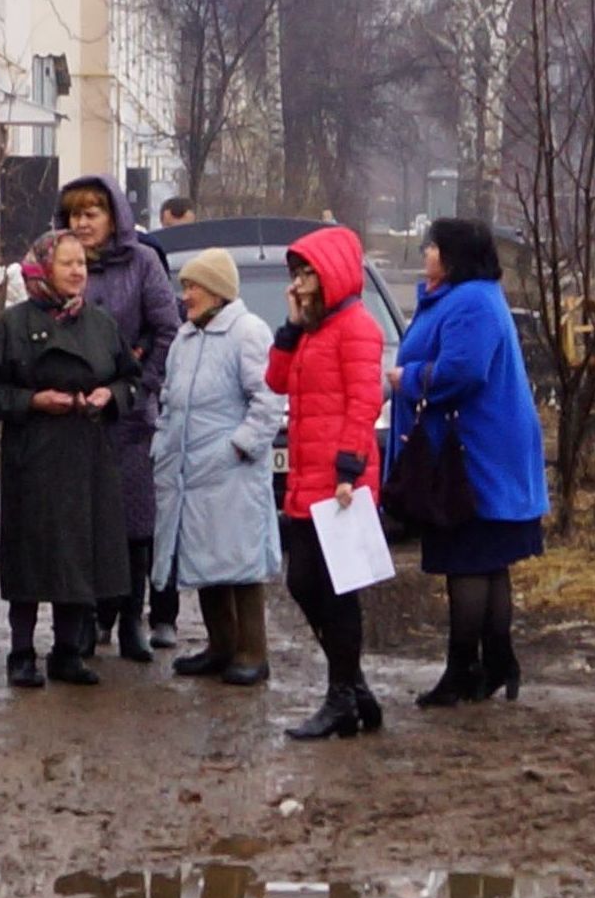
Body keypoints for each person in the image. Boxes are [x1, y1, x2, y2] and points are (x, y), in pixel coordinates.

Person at [0, 229, 139, 689]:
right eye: (67, 263)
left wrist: (111, 395)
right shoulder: (14, 324)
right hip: (35, 456)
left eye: (82, 263)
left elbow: (132, 379)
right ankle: (20, 652)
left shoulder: (101, 324)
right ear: (44, 268)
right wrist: (32, 402)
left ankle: (67, 651)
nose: (77, 271)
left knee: (77, 555)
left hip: (88, 455)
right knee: (30, 556)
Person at [390, 217, 547, 706]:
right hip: (483, 451)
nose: (425, 252)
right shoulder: (470, 296)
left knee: (468, 560)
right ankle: (496, 663)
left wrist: (405, 378)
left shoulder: (471, 301)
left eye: (432, 246)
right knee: (488, 561)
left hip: (473, 457)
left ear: (453, 255)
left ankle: (462, 671)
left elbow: (462, 371)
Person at [267, 223, 387, 741]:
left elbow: (365, 402)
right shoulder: (314, 330)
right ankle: (354, 688)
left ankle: (341, 697)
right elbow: (276, 380)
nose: (298, 281)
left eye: (307, 272)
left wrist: (348, 470)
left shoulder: (357, 327)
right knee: (301, 582)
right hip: (305, 475)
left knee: (338, 593)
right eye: (295, 273)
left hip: (339, 479)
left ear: (331, 272)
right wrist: (291, 327)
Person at [58, 176, 181, 658]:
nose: (82, 223)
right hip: (74, 417)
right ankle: (87, 620)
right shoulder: (62, 262)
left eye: (92, 213)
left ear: (114, 218)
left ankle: (133, 619)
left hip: (130, 419)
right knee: (81, 524)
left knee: (134, 525)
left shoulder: (143, 262)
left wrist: (141, 385)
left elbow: (167, 328)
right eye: (74, 215)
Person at [149, 250, 281, 689]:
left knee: (239, 560)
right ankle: (221, 645)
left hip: (232, 471)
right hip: (191, 472)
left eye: (193, 287)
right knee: (204, 558)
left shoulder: (248, 333)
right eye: (184, 286)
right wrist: (162, 445)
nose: (185, 295)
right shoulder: (186, 339)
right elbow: (169, 400)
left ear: (218, 291)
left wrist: (240, 447)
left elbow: (267, 400)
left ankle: (252, 652)